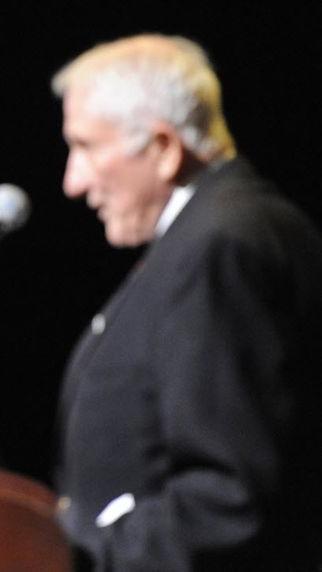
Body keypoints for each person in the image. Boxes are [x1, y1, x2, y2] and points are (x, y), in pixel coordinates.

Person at [50, 34, 322, 570]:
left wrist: (74, 559)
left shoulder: (223, 243)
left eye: (85, 147)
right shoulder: (208, 232)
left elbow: (226, 495)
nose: (73, 182)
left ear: (163, 147)